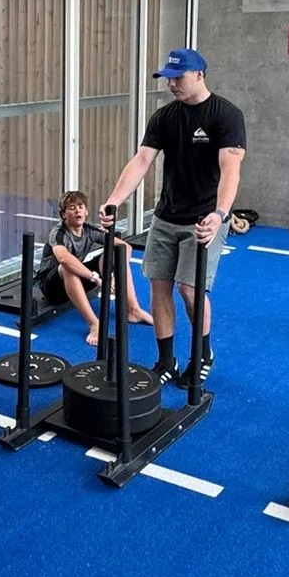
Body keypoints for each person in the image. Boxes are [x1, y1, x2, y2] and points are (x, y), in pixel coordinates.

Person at [98, 48, 246, 384]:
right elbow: (141, 161)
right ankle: (166, 360)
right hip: (167, 216)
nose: (172, 84)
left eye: (178, 78)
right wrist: (114, 200)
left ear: (199, 75)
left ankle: (203, 352)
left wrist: (220, 214)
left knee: (189, 289)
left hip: (205, 219)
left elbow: (230, 169)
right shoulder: (164, 117)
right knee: (159, 285)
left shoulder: (226, 115)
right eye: (168, 78)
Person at [38, 190, 153, 347]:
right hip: (52, 286)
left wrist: (114, 274)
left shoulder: (89, 231)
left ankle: (133, 310)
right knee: (67, 267)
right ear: (63, 215)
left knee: (115, 254)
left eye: (80, 206)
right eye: (72, 208)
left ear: (86, 212)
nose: (77, 210)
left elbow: (125, 247)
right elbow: (64, 259)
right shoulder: (58, 233)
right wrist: (95, 278)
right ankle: (94, 324)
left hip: (75, 281)